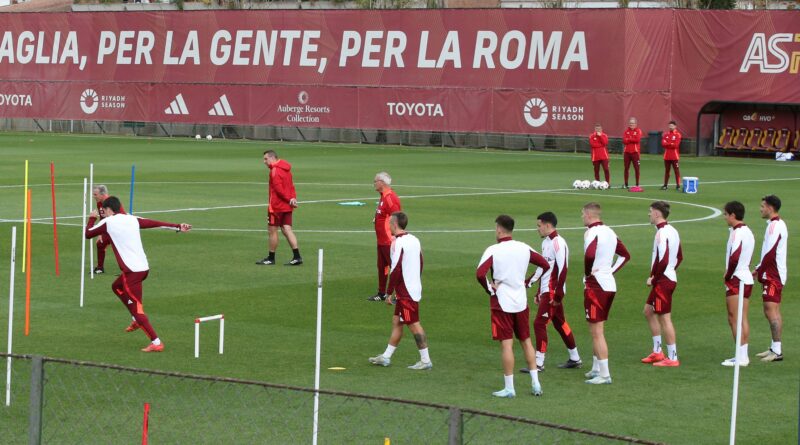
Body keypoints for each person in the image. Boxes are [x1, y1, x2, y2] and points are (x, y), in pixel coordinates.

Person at [84, 196, 192, 352]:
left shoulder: (107, 222)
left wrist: (92, 218)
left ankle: (156, 342)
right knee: (117, 287)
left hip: (131, 272)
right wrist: (177, 226)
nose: (104, 214)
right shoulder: (132, 219)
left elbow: (88, 234)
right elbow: (154, 223)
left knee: (138, 309)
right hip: (143, 269)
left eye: (104, 211)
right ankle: (135, 320)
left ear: (108, 210)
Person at [477, 215, 550, 398]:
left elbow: (480, 274)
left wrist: (490, 289)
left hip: (502, 302)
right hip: (520, 301)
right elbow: (545, 264)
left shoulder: (494, 249)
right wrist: (528, 282)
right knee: (526, 341)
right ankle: (536, 384)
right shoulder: (524, 247)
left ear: (499, 230)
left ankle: (509, 388)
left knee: (507, 345)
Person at [368, 212, 432, 370]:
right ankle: (386, 356)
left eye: (389, 223)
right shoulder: (414, 239)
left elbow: (395, 269)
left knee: (413, 324)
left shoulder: (399, 243)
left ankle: (425, 360)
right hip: (410, 287)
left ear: (395, 225)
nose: (388, 225)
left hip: (407, 292)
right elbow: (421, 261)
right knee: (397, 321)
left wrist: (389, 292)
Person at [522, 212, 581, 373]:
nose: (537, 229)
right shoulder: (546, 243)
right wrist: (536, 290)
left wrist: (557, 295)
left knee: (539, 323)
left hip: (553, 292)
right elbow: (544, 268)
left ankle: (539, 362)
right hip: (547, 291)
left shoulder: (558, 243)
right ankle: (575, 357)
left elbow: (563, 269)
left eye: (539, 226)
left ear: (548, 225)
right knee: (560, 323)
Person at [581, 202, 630, 384]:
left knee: (597, 331)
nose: (582, 217)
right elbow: (625, 255)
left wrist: (588, 273)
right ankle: (596, 368)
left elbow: (590, 255)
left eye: (582, 214)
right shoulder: (610, 231)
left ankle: (605, 374)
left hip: (596, 286)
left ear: (588, 215)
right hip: (609, 285)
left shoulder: (591, 233)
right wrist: (610, 270)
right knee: (597, 328)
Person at [641, 201, 683, 367]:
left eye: (650, 211)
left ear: (658, 214)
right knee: (648, 311)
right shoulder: (672, 230)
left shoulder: (662, 234)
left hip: (663, 281)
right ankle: (658, 351)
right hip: (666, 278)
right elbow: (679, 256)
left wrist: (655, 278)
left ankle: (673, 358)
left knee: (665, 319)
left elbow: (664, 259)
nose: (649, 214)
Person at [753, 195, 787, 362]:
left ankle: (777, 351)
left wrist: (759, 269)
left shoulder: (775, 226)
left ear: (770, 208)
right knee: (774, 311)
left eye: (762, 206)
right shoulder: (776, 225)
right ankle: (775, 347)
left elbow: (770, 252)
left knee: (770, 310)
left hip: (773, 275)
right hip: (774, 273)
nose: (761, 209)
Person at [722, 201, 755, 367]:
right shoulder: (748, 231)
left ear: (733, 215)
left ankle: (741, 356)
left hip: (737, 279)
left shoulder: (737, 233)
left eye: (726, 214)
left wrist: (728, 275)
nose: (725, 217)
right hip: (746, 277)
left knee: (734, 317)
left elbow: (734, 257)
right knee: (742, 318)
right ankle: (742, 355)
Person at [256, 150, 302, 266]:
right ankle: (297, 257)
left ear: (272, 158)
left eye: (266, 159)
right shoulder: (287, 169)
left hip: (276, 207)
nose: (264, 162)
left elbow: (278, 190)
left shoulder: (275, 171)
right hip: (287, 206)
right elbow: (291, 186)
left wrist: (288, 199)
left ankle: (271, 258)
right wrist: (292, 199)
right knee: (287, 229)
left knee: (272, 230)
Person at [367, 172, 402, 302]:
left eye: (375, 181)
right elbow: (385, 215)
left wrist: (395, 237)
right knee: (382, 267)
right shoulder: (383, 196)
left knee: (395, 267)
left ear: (382, 182)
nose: (374, 183)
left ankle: (399, 294)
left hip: (389, 240)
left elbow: (397, 217)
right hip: (381, 240)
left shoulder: (390, 198)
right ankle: (382, 293)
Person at [91, 184, 125, 275]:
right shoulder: (99, 203)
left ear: (102, 194)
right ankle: (100, 268)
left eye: (95, 194)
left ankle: (127, 270)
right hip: (109, 229)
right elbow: (102, 218)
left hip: (119, 229)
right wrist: (100, 234)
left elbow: (123, 216)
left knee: (120, 249)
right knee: (100, 244)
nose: (93, 196)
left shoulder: (113, 202)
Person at [661, 121, 682, 191]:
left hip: (674, 156)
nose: (670, 127)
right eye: (669, 126)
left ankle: (678, 185)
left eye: (672, 126)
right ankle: (665, 185)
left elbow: (676, 145)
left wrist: (668, 143)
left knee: (676, 171)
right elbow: (663, 144)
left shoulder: (678, 135)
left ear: (675, 126)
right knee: (667, 171)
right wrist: (671, 144)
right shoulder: (666, 134)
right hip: (666, 156)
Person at [622, 118, 642, 190]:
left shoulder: (638, 131)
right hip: (627, 153)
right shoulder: (626, 131)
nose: (631, 125)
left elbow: (637, 140)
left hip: (635, 153)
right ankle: (626, 184)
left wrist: (629, 139)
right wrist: (631, 139)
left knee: (637, 169)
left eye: (633, 123)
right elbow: (624, 141)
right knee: (626, 168)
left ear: (636, 124)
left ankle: (637, 184)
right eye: (630, 123)